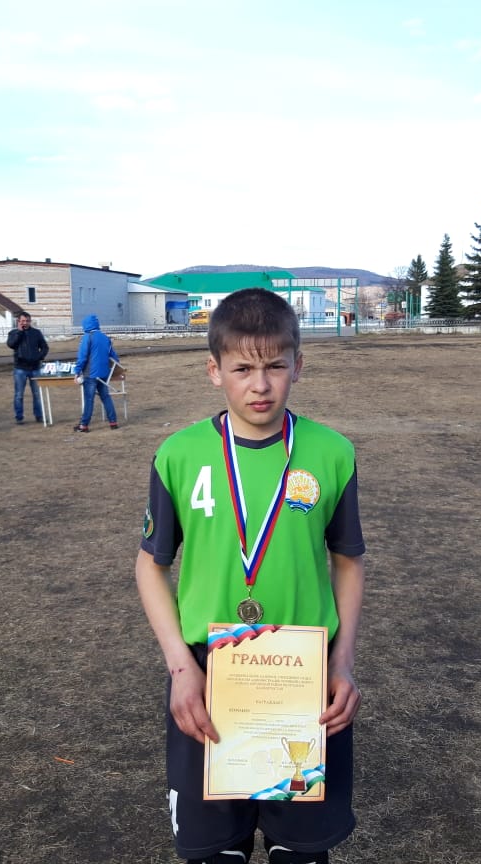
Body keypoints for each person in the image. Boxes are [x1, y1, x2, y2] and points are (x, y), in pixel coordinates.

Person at [134, 288, 366, 864]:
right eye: (242, 369)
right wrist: (180, 668)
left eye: (275, 367)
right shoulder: (179, 455)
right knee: (215, 852)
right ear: (214, 371)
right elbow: (150, 564)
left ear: (298, 366)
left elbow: (347, 560)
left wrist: (341, 663)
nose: (260, 385)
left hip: (304, 675)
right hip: (206, 677)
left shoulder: (332, 453)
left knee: (301, 852)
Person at [71, 314, 120, 432]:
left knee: (89, 399)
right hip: (104, 374)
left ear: (86, 325)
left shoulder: (87, 337)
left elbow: (82, 356)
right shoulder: (105, 338)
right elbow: (114, 357)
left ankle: (84, 425)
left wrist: (77, 371)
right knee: (106, 397)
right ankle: (113, 422)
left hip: (90, 374)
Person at [7, 311, 48, 424]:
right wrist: (19, 332)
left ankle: (39, 415)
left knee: (37, 394)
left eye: (27, 321)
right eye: (23, 321)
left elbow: (44, 347)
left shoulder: (36, 333)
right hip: (20, 368)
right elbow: (11, 344)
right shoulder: (13, 333)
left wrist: (39, 357)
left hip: (35, 368)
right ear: (18, 321)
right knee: (19, 395)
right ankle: (19, 417)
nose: (25, 323)